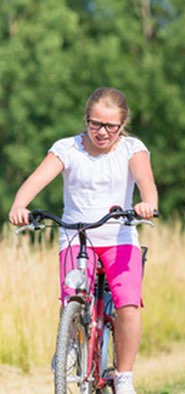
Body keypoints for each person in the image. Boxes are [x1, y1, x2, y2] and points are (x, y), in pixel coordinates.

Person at [8, 87, 159, 394]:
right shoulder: (67, 148)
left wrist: (147, 204)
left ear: (122, 124)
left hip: (119, 236)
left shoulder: (132, 149)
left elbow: (146, 183)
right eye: (95, 124)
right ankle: (71, 343)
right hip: (77, 237)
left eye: (110, 126)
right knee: (72, 295)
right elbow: (37, 179)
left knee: (128, 304)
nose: (102, 132)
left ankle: (125, 374)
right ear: (86, 120)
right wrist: (19, 206)